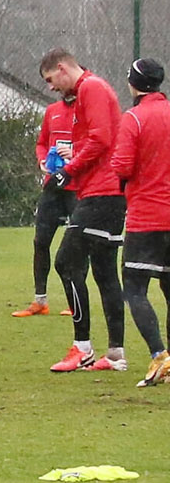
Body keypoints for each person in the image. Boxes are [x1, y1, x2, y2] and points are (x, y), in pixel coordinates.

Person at [41, 49, 129, 373]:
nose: (52, 87)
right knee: (105, 271)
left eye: (51, 79)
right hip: (106, 191)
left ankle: (82, 347)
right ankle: (116, 354)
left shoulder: (91, 88)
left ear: (62, 68)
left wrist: (70, 168)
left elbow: (102, 139)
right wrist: (73, 153)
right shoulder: (91, 90)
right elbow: (100, 138)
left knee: (65, 262)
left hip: (102, 194)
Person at [111, 58, 170, 386]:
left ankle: (159, 356)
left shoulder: (133, 118)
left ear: (135, 84)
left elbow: (122, 166)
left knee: (134, 289)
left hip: (147, 217)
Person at [18, 91, 77, 316]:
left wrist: (74, 153)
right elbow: (42, 143)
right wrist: (42, 160)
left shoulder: (88, 111)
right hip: (53, 187)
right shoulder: (52, 111)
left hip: (77, 187)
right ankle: (40, 300)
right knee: (40, 241)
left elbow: (98, 145)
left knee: (76, 247)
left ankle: (75, 302)